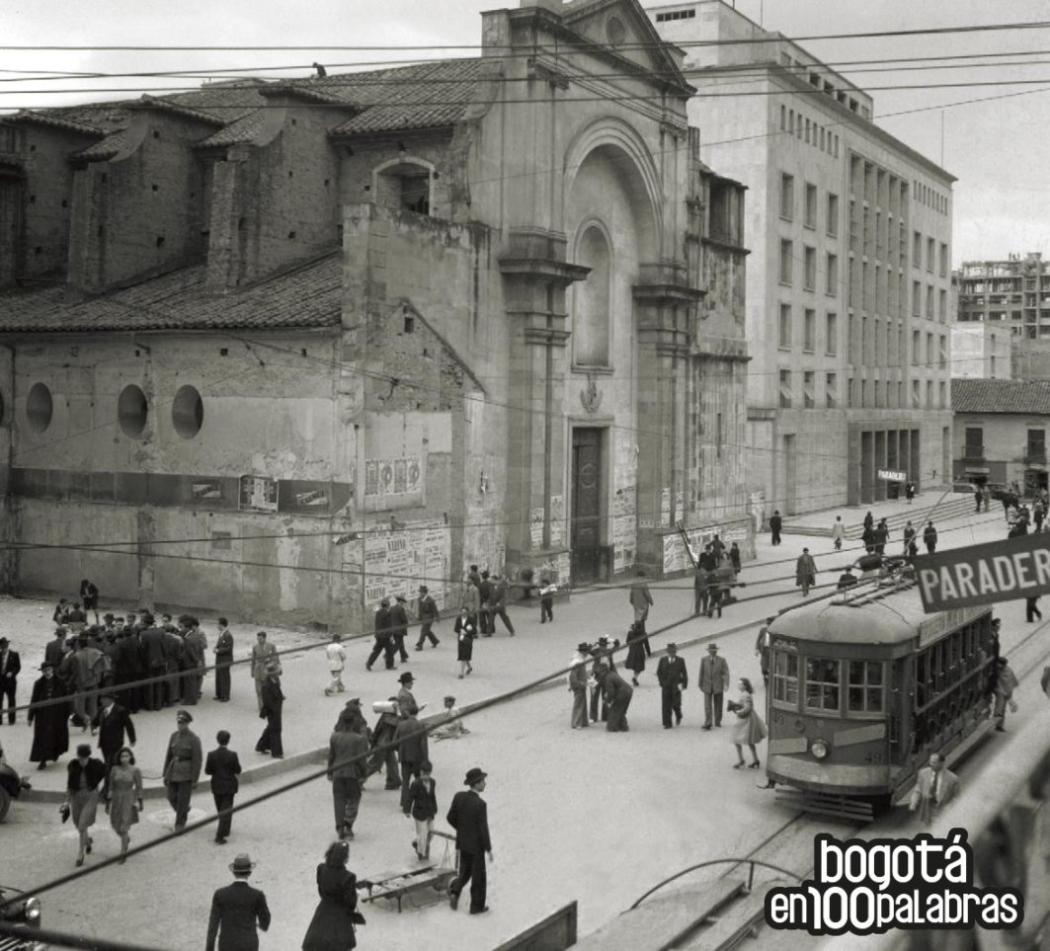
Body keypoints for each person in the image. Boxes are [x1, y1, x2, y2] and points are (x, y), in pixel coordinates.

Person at [447, 767, 493, 915]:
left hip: (462, 843)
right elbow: (483, 830)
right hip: (476, 847)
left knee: (465, 872)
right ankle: (476, 907)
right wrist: (488, 848)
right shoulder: (480, 805)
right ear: (476, 783)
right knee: (478, 877)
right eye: (483, 781)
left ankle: (454, 892)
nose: (485, 783)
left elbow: (450, 817)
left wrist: (462, 830)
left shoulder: (458, 796)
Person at [302, 840, 360, 951]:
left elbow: (321, 891)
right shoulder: (348, 877)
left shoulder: (321, 869)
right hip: (339, 917)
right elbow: (350, 903)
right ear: (345, 858)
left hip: (322, 912)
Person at [206, 853, 271, 951]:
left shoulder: (220, 894)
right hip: (249, 944)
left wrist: (209, 949)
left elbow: (213, 927)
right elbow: (265, 921)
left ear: (234, 872)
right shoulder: (257, 895)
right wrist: (261, 925)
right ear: (249, 873)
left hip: (227, 944)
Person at [328, 710, 369, 840]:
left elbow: (331, 756)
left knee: (339, 800)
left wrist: (330, 771)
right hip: (352, 773)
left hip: (337, 773)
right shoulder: (359, 739)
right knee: (354, 798)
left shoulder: (334, 737)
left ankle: (339, 827)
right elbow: (361, 759)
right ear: (353, 723)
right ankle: (348, 823)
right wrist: (364, 773)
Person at [66, 743, 106, 866]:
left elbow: (107, 773)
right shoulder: (72, 765)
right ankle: (87, 841)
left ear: (88, 756)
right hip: (76, 797)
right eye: (79, 758)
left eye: (84, 758)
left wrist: (104, 789)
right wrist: (66, 801)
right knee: (78, 824)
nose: (81, 761)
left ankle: (80, 853)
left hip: (90, 796)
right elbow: (69, 785)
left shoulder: (96, 764)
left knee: (83, 823)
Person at [163, 709, 202, 832]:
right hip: (173, 770)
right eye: (179, 723)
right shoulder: (173, 736)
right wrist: (165, 773)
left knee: (182, 800)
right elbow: (168, 755)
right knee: (171, 797)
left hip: (186, 773)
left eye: (183, 723)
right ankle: (184, 810)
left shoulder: (194, 739)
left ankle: (180, 824)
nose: (180, 725)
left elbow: (197, 760)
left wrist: (195, 779)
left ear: (187, 724)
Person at [92, 691, 136, 796]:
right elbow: (95, 721)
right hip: (104, 743)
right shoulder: (102, 710)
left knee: (110, 765)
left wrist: (132, 739)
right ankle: (112, 785)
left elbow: (128, 725)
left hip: (116, 743)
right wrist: (93, 728)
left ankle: (107, 790)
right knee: (109, 764)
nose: (101, 701)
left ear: (110, 700)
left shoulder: (120, 711)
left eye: (104, 699)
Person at [28, 661, 70, 769]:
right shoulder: (38, 684)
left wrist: (67, 713)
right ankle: (42, 760)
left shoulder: (60, 682)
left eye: (49, 670)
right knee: (42, 737)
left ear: (52, 670)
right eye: (44, 671)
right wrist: (30, 716)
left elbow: (67, 699)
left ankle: (55, 753)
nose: (47, 673)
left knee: (56, 735)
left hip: (57, 715)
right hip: (43, 715)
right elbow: (34, 699)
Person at [105, 746, 143, 862]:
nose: (124, 758)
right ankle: (125, 839)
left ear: (130, 757)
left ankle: (123, 852)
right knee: (115, 824)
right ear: (119, 758)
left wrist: (139, 801)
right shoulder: (114, 769)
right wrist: (108, 803)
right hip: (116, 798)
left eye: (126, 756)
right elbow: (111, 786)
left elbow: (139, 787)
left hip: (128, 798)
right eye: (122, 756)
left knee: (124, 824)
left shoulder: (135, 770)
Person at [206, 730, 242, 845]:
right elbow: (238, 770)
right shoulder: (232, 755)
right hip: (229, 785)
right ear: (228, 741)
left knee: (220, 808)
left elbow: (208, 771)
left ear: (217, 740)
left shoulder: (211, 754)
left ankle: (224, 829)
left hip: (216, 785)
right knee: (226, 810)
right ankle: (220, 835)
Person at [395, 703, 429, 816]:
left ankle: (405, 804)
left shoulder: (401, 725)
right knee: (419, 781)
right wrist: (426, 759)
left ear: (408, 712)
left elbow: (394, 741)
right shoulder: (420, 725)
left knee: (405, 781)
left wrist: (401, 750)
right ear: (417, 712)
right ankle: (420, 803)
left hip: (404, 757)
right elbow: (424, 745)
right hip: (417, 757)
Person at [909, 753, 959, 825]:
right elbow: (918, 789)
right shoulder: (923, 773)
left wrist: (950, 808)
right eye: (930, 761)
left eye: (934, 762)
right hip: (927, 808)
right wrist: (913, 803)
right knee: (929, 828)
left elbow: (957, 797)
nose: (930, 764)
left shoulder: (953, 778)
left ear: (941, 763)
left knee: (940, 828)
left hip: (942, 809)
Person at [729, 677, 767, 769]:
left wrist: (738, 712)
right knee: (750, 741)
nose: (739, 686)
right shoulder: (745, 694)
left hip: (746, 721)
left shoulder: (745, 695)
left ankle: (741, 760)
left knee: (736, 739)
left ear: (744, 686)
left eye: (740, 684)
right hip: (746, 720)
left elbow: (747, 708)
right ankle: (755, 760)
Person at [408, 761, 438, 861]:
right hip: (419, 813)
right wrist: (407, 810)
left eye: (428, 774)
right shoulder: (416, 784)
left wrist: (434, 808)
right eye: (423, 773)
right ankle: (422, 855)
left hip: (429, 812)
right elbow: (410, 797)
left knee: (431, 833)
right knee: (423, 834)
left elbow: (433, 796)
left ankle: (418, 843)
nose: (426, 776)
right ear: (420, 772)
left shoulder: (433, 782)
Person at [256, 661, 284, 759]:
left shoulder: (275, 680)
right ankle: (276, 752)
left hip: (276, 708)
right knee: (276, 729)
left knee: (271, 728)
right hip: (273, 710)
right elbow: (267, 701)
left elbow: (277, 691)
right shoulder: (266, 685)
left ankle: (262, 745)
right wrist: (274, 709)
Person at [699, 643, 730, 730]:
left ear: (716, 651)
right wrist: (700, 684)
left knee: (718, 705)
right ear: (708, 651)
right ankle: (708, 722)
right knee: (707, 706)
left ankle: (717, 721)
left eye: (714, 651)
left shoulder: (722, 660)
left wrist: (726, 684)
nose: (712, 652)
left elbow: (726, 672)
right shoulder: (704, 660)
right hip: (707, 685)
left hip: (718, 685)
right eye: (711, 651)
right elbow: (701, 672)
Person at [656, 643, 688, 729]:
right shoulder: (663, 660)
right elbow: (659, 672)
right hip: (666, 685)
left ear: (675, 652)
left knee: (676, 703)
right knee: (666, 704)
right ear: (667, 652)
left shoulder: (681, 660)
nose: (672, 653)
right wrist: (662, 682)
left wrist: (684, 684)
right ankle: (667, 723)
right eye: (670, 652)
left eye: (673, 652)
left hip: (676, 686)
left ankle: (678, 714)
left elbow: (684, 673)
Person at [595, 663, 632, 732]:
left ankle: (613, 727)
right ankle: (623, 726)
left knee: (615, 710)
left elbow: (611, 692)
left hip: (623, 693)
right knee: (620, 710)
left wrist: (607, 701)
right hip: (628, 691)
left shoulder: (607, 678)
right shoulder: (611, 674)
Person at [250, 631, 278, 713]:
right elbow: (253, 660)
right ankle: (261, 707)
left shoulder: (271, 646)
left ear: (265, 638)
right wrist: (252, 671)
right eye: (257, 638)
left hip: (268, 670)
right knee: (258, 690)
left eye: (260, 638)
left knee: (268, 689)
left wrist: (270, 663)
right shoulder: (255, 647)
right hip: (258, 670)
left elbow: (275, 658)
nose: (259, 640)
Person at [993, 657, 1020, 732]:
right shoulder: (997, 670)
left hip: (1007, 690)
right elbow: (998, 682)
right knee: (1000, 702)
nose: (998, 666)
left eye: (1000, 665)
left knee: (1003, 705)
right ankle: (997, 715)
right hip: (1000, 689)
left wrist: (1009, 696)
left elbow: (1011, 682)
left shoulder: (1008, 670)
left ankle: (999, 725)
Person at [569, 643, 591, 730]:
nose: (588, 654)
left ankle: (583, 721)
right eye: (586, 652)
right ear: (583, 652)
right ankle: (576, 722)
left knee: (583, 702)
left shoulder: (580, 660)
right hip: (579, 685)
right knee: (578, 703)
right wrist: (578, 684)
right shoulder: (578, 662)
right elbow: (573, 676)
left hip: (582, 683)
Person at [628, 569, 654, 644]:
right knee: (642, 618)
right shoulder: (643, 584)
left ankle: (637, 630)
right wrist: (651, 601)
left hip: (636, 603)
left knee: (637, 617)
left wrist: (631, 600)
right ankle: (641, 631)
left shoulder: (633, 583)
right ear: (642, 576)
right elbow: (647, 594)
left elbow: (631, 593)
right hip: (643, 603)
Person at [0, 638, 20, 725]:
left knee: (11, 700)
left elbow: (18, 667)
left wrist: (12, 673)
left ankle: (11, 720)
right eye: (2, 647)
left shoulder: (14, 655)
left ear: (7, 646)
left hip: (10, 681)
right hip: (0, 681)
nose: (3, 649)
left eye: (5, 647)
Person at [214, 617, 234, 702]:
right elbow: (219, 644)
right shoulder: (222, 634)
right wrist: (215, 648)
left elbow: (228, 648)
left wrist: (218, 650)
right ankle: (219, 694)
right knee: (219, 676)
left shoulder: (228, 635)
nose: (217, 626)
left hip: (225, 659)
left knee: (224, 677)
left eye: (218, 624)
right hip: (220, 659)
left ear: (221, 625)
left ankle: (225, 695)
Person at [415, 585, 440, 650]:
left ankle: (420, 645)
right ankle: (435, 641)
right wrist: (419, 617)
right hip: (423, 617)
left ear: (425, 593)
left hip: (429, 617)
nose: (420, 593)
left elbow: (435, 609)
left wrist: (437, 617)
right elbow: (420, 609)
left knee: (423, 630)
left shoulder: (430, 600)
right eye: (419, 592)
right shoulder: (420, 599)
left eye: (421, 592)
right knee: (427, 630)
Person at [454, 608, 476, 679]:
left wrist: (467, 632)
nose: (463, 613)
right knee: (462, 655)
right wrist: (460, 630)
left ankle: (461, 673)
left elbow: (474, 630)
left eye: (465, 612)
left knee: (464, 654)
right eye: (462, 612)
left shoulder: (471, 619)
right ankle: (469, 667)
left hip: (468, 639)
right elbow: (455, 629)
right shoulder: (458, 619)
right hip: (460, 639)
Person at [389, 595, 411, 662]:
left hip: (393, 629)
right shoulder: (401, 609)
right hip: (399, 629)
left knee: (401, 643)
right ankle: (388, 655)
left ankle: (403, 657)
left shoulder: (392, 608)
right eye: (403, 602)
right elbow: (404, 619)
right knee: (398, 644)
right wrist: (407, 623)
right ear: (400, 601)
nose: (403, 603)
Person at [624, 622, 647, 687]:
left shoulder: (630, 633)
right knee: (639, 666)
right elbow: (646, 644)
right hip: (640, 650)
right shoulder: (643, 634)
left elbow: (627, 642)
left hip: (632, 650)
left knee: (634, 665)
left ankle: (635, 678)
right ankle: (635, 677)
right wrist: (648, 652)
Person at [755, 619, 774, 686]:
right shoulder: (763, 630)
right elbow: (758, 639)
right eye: (768, 624)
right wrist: (757, 649)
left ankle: (770, 678)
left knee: (772, 665)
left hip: (772, 651)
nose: (769, 626)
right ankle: (765, 677)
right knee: (763, 665)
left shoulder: (775, 631)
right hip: (764, 650)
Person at [478, 570, 494, 637]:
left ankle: (483, 630)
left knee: (482, 617)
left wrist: (483, 602)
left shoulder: (480, 585)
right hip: (489, 602)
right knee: (489, 617)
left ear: (482, 576)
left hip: (482, 602)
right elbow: (492, 594)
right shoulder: (490, 584)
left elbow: (479, 594)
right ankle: (489, 631)